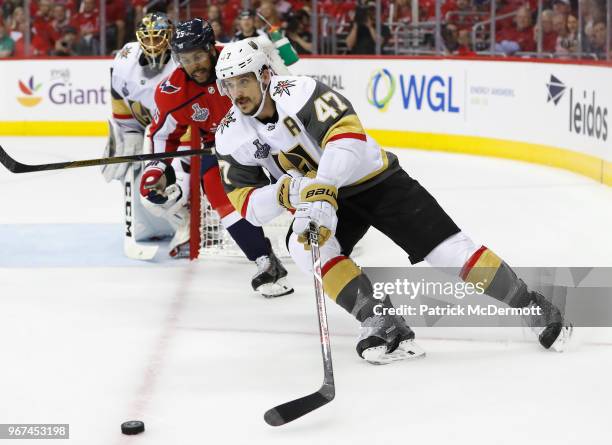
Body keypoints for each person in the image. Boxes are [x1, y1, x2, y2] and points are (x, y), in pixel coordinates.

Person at [213, 40, 573, 364]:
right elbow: (247, 206)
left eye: (242, 80)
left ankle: (531, 304)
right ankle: (379, 318)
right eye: (228, 84)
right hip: (319, 197)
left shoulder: (301, 91)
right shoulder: (230, 133)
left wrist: (322, 188)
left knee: (450, 253)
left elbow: (349, 138)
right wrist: (288, 194)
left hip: (375, 180)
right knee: (303, 247)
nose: (236, 92)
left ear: (263, 75)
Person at [146, 17, 294, 298]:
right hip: (220, 146)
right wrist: (155, 169)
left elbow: (282, 95)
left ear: (211, 48)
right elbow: (163, 135)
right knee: (216, 189)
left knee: (295, 184)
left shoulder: (241, 60)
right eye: (185, 59)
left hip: (268, 135)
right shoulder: (173, 91)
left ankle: (327, 237)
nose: (194, 65)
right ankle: (264, 260)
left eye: (199, 55)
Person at [102, 12, 191, 260]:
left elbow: (189, 116)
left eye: (159, 37)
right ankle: (150, 226)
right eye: (148, 38)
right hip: (150, 130)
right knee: (125, 169)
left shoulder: (183, 63)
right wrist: (129, 132)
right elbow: (119, 97)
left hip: (181, 134)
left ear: (170, 37)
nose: (153, 44)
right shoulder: (125, 60)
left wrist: (181, 159)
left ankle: (189, 223)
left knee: (177, 180)